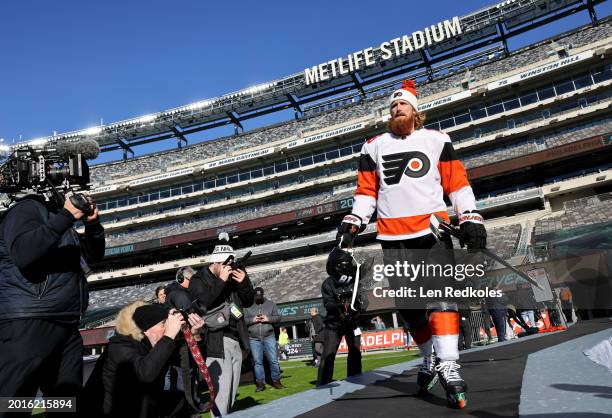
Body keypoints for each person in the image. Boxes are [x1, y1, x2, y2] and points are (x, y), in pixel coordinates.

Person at [335, 80, 486, 408]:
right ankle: (429, 357)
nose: (397, 108)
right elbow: (366, 194)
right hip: (392, 237)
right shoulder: (372, 146)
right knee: (410, 310)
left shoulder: (437, 140)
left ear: (416, 111)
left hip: (433, 232)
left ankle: (449, 364)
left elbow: (457, 184)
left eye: (402, 104)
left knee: (441, 299)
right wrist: (354, 220)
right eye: (392, 106)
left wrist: (470, 217)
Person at [0, 193, 104, 417]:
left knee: (64, 405)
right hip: (30, 321)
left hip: (64, 322)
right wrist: (66, 215)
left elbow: (92, 259)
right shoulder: (25, 209)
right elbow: (24, 253)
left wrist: (93, 226)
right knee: (14, 404)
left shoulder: (57, 220)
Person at [101, 301, 204, 418]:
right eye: (163, 323)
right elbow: (145, 374)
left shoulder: (156, 344)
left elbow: (189, 363)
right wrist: (169, 335)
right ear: (145, 329)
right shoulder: (120, 346)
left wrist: (195, 335)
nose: (167, 327)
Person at [187, 240, 254, 417]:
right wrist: (221, 281)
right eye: (225, 264)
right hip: (215, 341)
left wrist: (244, 283)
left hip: (236, 337)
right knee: (220, 396)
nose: (229, 268)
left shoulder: (231, 276)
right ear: (215, 262)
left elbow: (247, 301)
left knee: (231, 394)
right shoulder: (198, 280)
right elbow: (202, 305)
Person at [317, 248, 368, 386]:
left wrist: (358, 306)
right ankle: (323, 382)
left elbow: (364, 300)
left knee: (355, 352)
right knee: (328, 354)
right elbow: (328, 304)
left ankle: (355, 379)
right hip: (334, 325)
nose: (351, 265)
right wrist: (340, 304)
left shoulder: (356, 281)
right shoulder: (327, 284)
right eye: (347, 263)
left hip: (352, 323)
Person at [245, 287, 283, 391]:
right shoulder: (248, 306)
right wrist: (252, 320)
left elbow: (279, 317)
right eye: (256, 296)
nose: (258, 298)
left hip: (269, 336)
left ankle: (276, 381)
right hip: (254, 338)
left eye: (260, 296)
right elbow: (243, 320)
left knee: (273, 360)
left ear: (263, 294)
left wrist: (268, 319)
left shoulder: (271, 304)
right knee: (258, 362)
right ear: (254, 296)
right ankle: (260, 383)